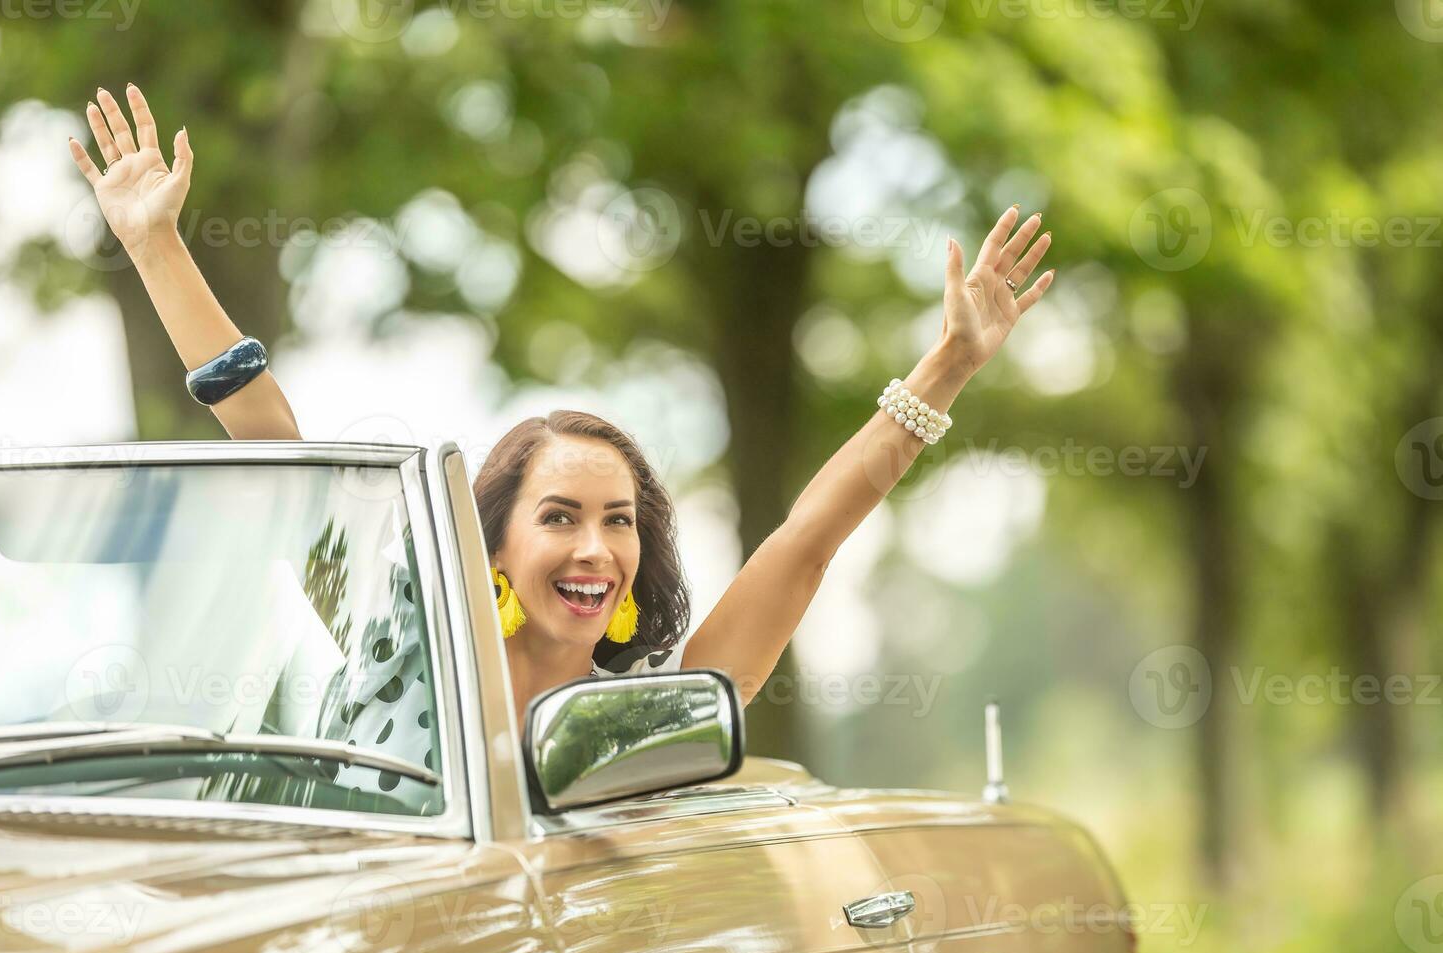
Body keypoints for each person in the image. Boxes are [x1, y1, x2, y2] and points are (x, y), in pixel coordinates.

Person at [71, 84, 1055, 732]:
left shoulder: (648, 723)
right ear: (492, 542)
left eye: (618, 521)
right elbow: (269, 438)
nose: (596, 546)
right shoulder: (392, 636)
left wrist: (950, 367)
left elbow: (804, 543)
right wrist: (154, 243)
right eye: (561, 515)